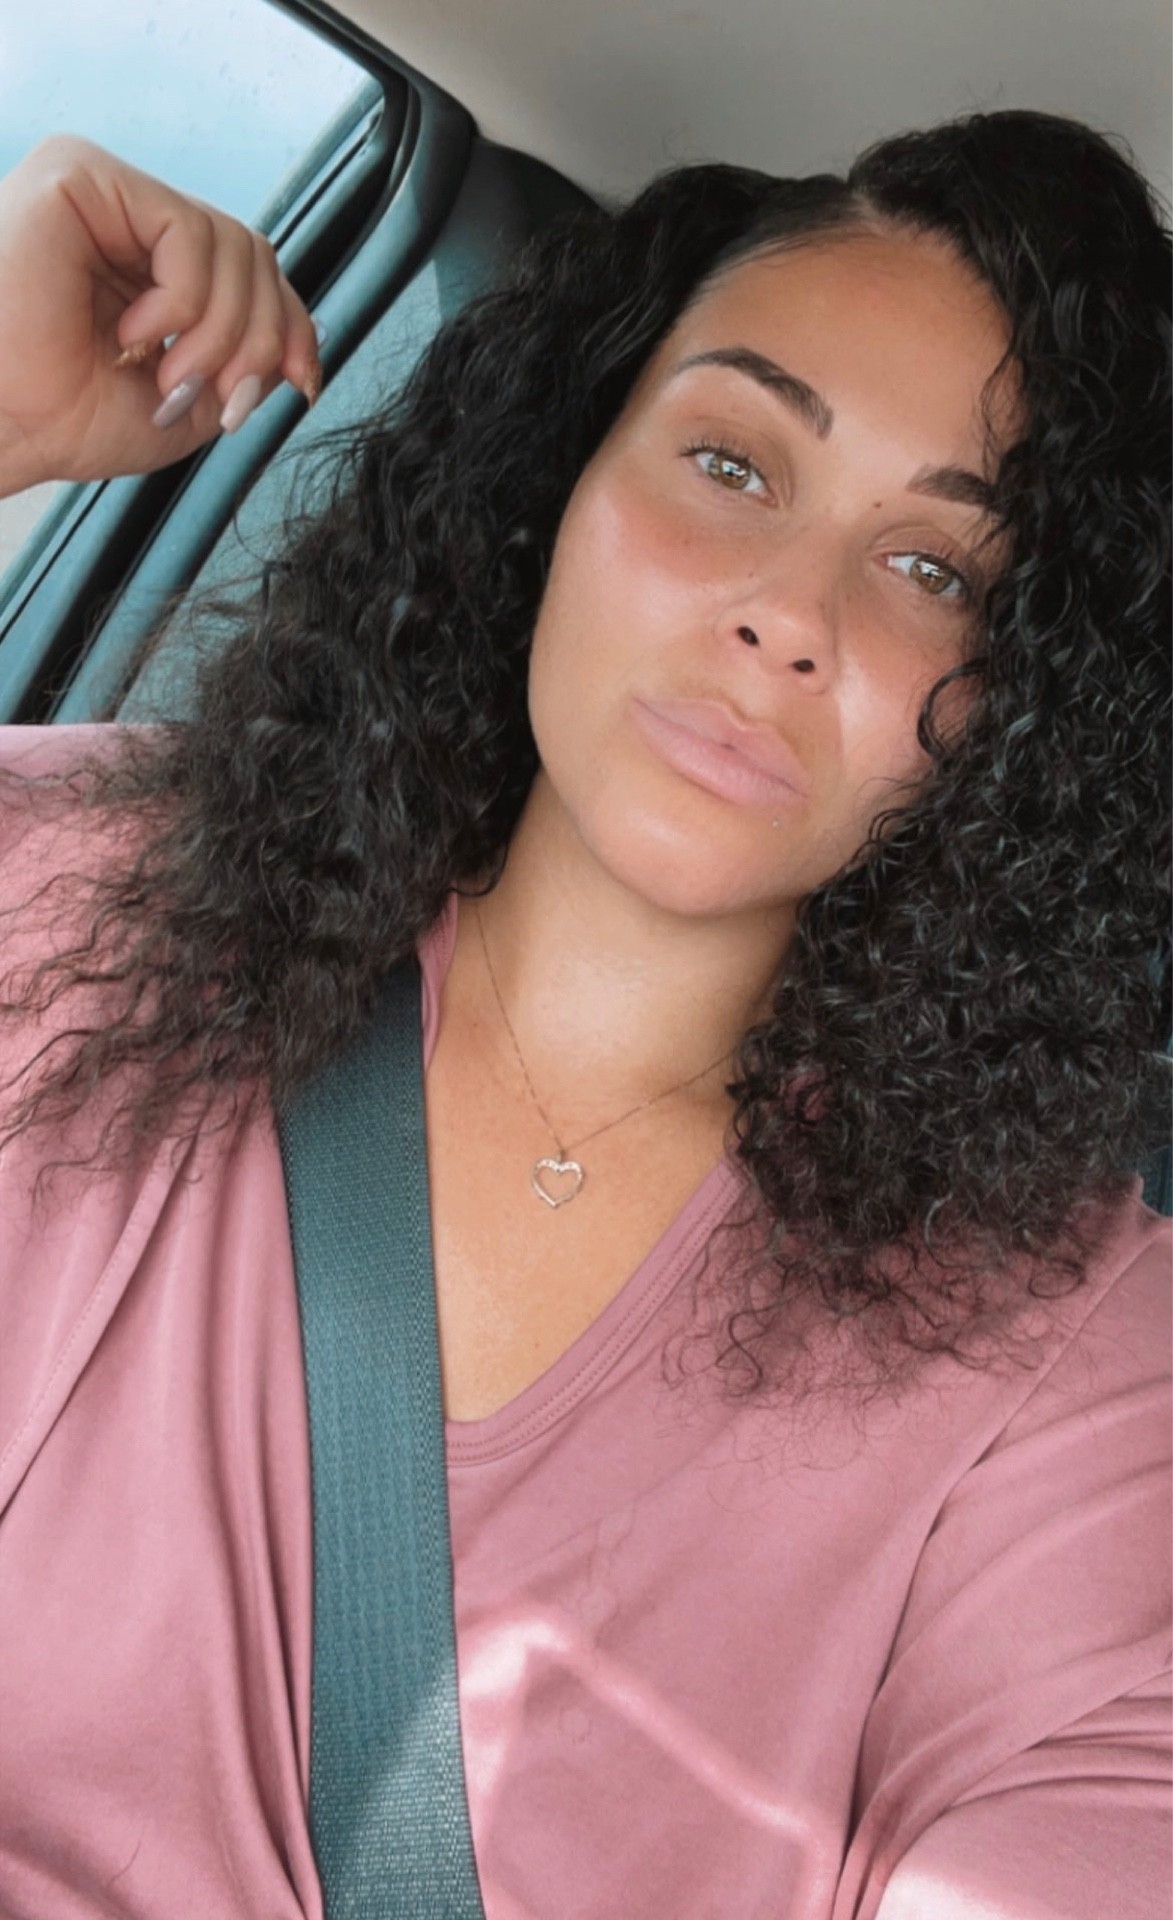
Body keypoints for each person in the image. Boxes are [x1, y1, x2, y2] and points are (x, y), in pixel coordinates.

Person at [0, 110, 1168, 1919]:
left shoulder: (1072, 1359)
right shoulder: (75, 891)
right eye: (730, 462)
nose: (786, 613)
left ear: (1022, 716)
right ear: (561, 472)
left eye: (935, 570)